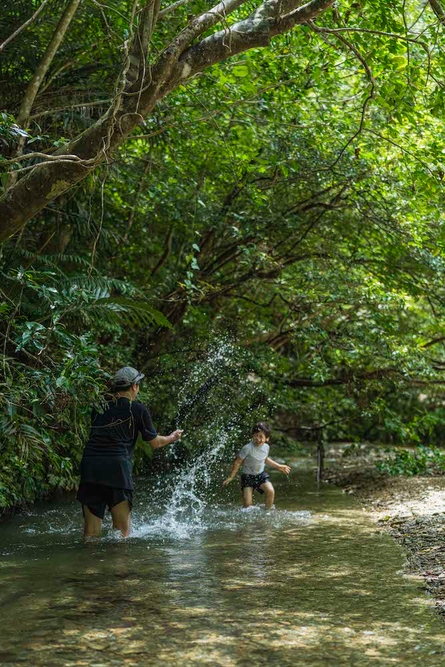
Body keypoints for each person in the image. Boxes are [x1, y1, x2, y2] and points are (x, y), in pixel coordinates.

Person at [76, 366, 182, 538]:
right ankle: (119, 564)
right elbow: (154, 443)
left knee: (91, 533)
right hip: (116, 468)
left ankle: (90, 565)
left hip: (90, 465)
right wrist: (172, 437)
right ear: (134, 386)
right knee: (121, 531)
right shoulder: (138, 409)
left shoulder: (99, 406)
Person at [223, 422, 291, 509]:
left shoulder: (266, 447)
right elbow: (238, 461)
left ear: (267, 438)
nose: (257, 439)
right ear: (252, 435)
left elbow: (265, 459)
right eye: (255, 436)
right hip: (247, 477)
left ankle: (267, 511)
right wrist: (231, 477)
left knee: (270, 491)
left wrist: (279, 466)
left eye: (261, 437)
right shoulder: (247, 448)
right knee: (247, 504)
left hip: (260, 475)